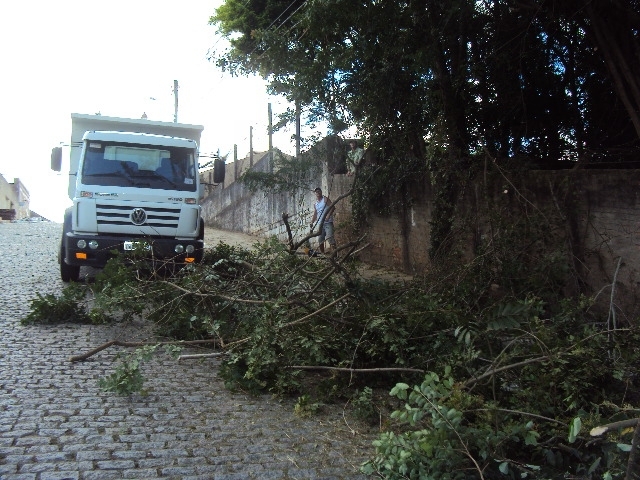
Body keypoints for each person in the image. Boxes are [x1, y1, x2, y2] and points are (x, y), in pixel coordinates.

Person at [310, 187, 337, 254]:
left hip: (328, 223)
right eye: (316, 192)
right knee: (320, 239)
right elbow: (315, 213)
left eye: (319, 191)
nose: (318, 192)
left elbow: (333, 207)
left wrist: (328, 215)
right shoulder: (315, 204)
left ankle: (335, 255)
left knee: (330, 237)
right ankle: (322, 254)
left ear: (321, 192)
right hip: (321, 224)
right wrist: (312, 222)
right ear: (315, 193)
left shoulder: (325, 199)